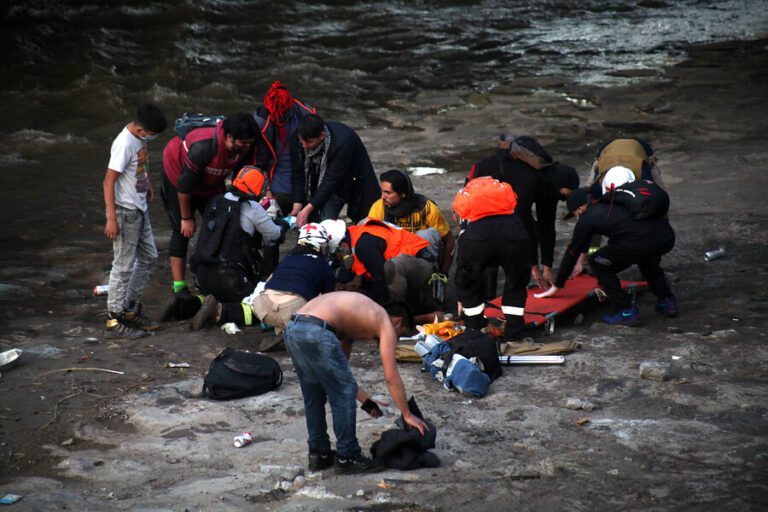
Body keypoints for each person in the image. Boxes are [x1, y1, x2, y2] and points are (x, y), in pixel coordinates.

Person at [283, 292, 428, 474]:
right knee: (340, 396)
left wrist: (365, 400)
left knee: (314, 394)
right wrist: (407, 414)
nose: (396, 340)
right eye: (401, 335)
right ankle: (348, 456)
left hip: (293, 328)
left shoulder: (352, 321)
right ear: (398, 321)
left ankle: (319, 454)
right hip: (316, 330)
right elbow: (391, 376)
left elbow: (341, 378)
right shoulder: (384, 321)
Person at [535, 187, 678, 325]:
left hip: (637, 241)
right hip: (665, 237)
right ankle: (667, 301)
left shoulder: (588, 217)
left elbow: (572, 252)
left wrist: (558, 284)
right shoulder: (614, 203)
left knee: (598, 262)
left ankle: (626, 311)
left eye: (575, 213)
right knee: (645, 257)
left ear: (580, 208)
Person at [161, 112, 260, 302]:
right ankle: (179, 287)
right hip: (178, 178)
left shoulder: (244, 148)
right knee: (182, 231)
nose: (247, 147)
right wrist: (187, 217)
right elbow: (184, 185)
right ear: (229, 137)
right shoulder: (204, 147)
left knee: (219, 225)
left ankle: (205, 277)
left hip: (211, 182)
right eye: (243, 143)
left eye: (250, 143)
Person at [192, 222, 336, 352]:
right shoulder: (322, 265)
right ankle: (290, 337)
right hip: (291, 311)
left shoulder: (288, 259)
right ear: (322, 247)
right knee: (319, 319)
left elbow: (268, 283)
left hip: (263, 306)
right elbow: (328, 301)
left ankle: (219, 310)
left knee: (266, 308)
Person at [468, 134, 577, 291]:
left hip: (512, 190)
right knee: (496, 240)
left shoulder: (550, 184)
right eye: (564, 194)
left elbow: (547, 227)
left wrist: (547, 268)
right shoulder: (527, 182)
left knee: (535, 232)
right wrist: (534, 268)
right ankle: (487, 293)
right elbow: (523, 225)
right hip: (485, 187)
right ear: (561, 185)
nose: (562, 199)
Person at [102, 103, 167, 339]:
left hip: (139, 208)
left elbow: (137, 168)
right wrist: (111, 218)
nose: (152, 138)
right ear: (140, 130)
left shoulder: (139, 140)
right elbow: (109, 182)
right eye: (151, 134)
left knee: (149, 257)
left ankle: (130, 308)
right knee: (123, 265)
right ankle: (114, 317)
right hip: (125, 212)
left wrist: (146, 183)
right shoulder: (124, 144)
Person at [189, 165, 287, 308]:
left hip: (203, 275)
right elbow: (275, 235)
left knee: (209, 296)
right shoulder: (252, 207)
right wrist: (283, 224)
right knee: (259, 307)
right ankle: (219, 311)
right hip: (231, 279)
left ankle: (191, 303)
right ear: (258, 187)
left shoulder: (217, 201)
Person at [452, 176, 530, 341]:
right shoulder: (503, 198)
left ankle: (476, 332)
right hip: (514, 234)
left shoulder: (467, 198)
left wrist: (461, 292)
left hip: (477, 238)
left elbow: (463, 247)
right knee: (516, 282)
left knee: (470, 283)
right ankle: (515, 335)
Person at [254, 81, 317, 277]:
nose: (280, 120)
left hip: (304, 179)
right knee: (270, 231)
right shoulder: (262, 120)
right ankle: (268, 274)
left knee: (307, 230)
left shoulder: (305, 113)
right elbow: (260, 158)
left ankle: (305, 270)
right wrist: (268, 192)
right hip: (277, 182)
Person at [290, 114, 380, 227]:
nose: (304, 146)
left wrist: (307, 209)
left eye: (309, 142)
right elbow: (298, 172)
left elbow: (331, 180)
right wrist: (298, 203)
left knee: (367, 223)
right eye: (301, 141)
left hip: (353, 178)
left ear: (322, 135)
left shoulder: (342, 141)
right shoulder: (298, 138)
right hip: (321, 182)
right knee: (321, 226)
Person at [367, 169, 455, 275]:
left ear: (403, 194)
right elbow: (368, 243)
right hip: (395, 260)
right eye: (382, 191)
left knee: (427, 234)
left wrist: (444, 273)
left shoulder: (426, 208)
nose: (382, 197)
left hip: (423, 261)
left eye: (387, 193)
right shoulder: (378, 207)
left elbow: (449, 242)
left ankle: (432, 281)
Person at [335, 219, 434, 309]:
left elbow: (381, 279)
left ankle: (399, 313)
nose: (339, 259)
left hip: (422, 263)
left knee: (392, 267)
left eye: (338, 255)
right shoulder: (356, 237)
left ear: (343, 245)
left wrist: (367, 305)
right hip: (411, 266)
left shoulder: (363, 246)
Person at [588, 138, 664, 198]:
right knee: (587, 196)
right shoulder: (597, 184)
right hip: (606, 150)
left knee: (661, 194)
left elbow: (654, 193)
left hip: (639, 147)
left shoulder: (642, 172)